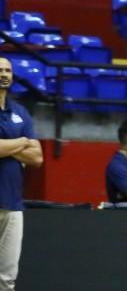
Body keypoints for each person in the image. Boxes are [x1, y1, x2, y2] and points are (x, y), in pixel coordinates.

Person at [0, 57, 41, 291]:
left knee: (6, 279)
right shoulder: (22, 124)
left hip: (12, 204)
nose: (4, 74)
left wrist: (9, 145)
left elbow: (36, 158)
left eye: (8, 70)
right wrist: (23, 141)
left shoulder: (20, 112)